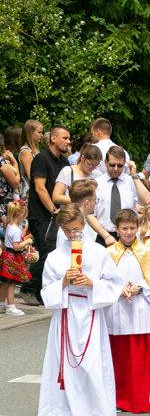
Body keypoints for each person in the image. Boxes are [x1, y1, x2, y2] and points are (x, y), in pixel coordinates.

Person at [37, 204, 124, 416]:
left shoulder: (98, 252)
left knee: (94, 364)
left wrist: (92, 283)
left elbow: (115, 283)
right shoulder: (55, 257)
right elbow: (46, 291)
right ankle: (74, 415)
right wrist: (63, 282)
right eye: (67, 230)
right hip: (67, 314)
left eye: (76, 229)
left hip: (90, 311)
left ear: (84, 225)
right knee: (69, 366)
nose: (72, 234)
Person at [104, 209, 150, 413]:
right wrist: (119, 289)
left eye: (132, 228)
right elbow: (104, 279)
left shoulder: (145, 251)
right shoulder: (110, 252)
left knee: (141, 357)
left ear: (137, 228)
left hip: (140, 307)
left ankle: (143, 398)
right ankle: (120, 399)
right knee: (119, 356)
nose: (128, 232)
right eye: (124, 228)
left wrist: (139, 288)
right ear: (116, 229)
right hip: (117, 308)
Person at [25, 126, 71, 304]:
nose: (68, 141)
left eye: (69, 138)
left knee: (51, 249)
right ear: (53, 138)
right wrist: (53, 209)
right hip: (41, 214)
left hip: (57, 215)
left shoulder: (65, 162)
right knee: (47, 249)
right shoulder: (41, 159)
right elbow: (40, 188)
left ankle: (38, 289)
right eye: (64, 138)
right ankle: (32, 288)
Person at [93, 146, 150, 239]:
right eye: (112, 165)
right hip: (104, 234)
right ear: (105, 163)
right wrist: (106, 236)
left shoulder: (131, 181)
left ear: (125, 164)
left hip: (128, 235)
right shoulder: (97, 183)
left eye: (120, 165)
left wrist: (134, 175)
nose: (116, 169)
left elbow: (148, 200)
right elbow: (91, 214)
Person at [0, 200, 33, 315]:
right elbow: (16, 247)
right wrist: (27, 241)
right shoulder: (16, 230)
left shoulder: (8, 225)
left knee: (5, 282)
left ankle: (1, 304)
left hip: (7, 256)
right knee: (12, 283)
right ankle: (11, 306)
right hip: (13, 257)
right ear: (20, 215)